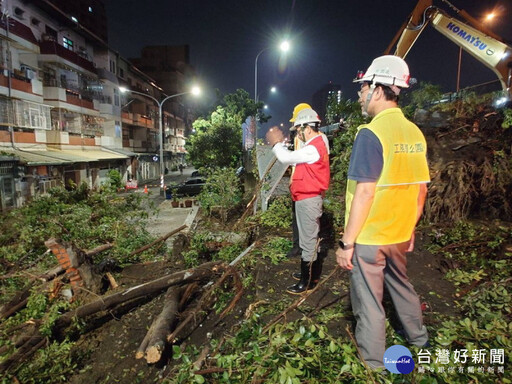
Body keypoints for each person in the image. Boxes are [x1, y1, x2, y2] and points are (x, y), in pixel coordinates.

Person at [336, 55, 430, 369]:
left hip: (371, 235)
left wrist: (347, 243)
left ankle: (374, 364)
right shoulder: (414, 133)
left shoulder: (371, 133)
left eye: (363, 88)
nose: (360, 95)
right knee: (402, 285)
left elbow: (365, 191)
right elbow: (420, 189)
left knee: (369, 301)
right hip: (400, 233)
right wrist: (411, 227)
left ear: (378, 90)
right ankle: (419, 339)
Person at [266, 107, 330, 294]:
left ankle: (306, 282)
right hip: (307, 198)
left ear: (307, 128)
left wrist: (276, 144)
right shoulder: (315, 144)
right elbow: (294, 160)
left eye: (298, 130)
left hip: (308, 200)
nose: (298, 134)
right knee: (309, 239)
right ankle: (311, 275)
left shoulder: (313, 147)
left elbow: (286, 158)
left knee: (308, 241)